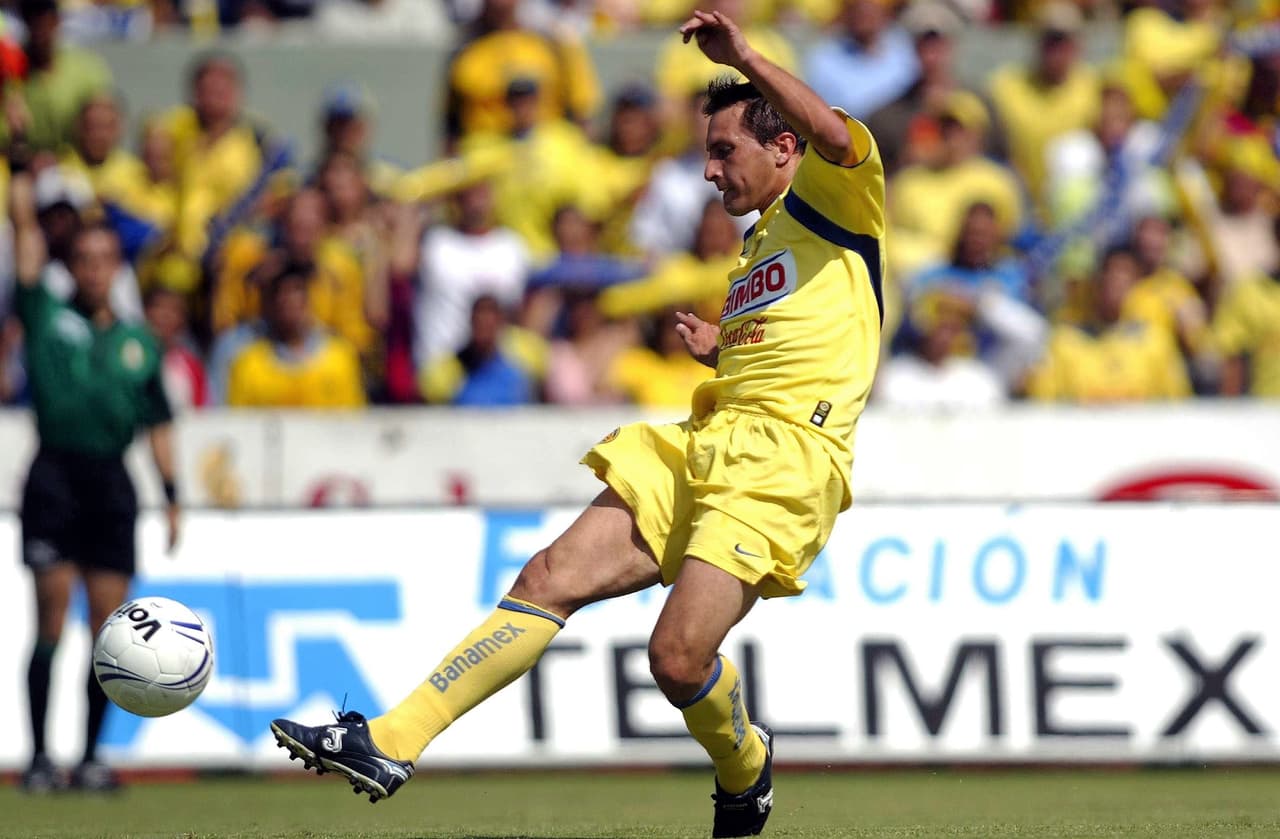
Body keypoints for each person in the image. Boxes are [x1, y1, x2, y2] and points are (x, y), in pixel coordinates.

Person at [271, 10, 885, 838]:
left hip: (784, 459)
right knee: (547, 575)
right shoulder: (762, 243)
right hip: (711, 437)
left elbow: (835, 136)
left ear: (782, 147)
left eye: (722, 150)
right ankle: (389, 740)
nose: (708, 170)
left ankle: (746, 765)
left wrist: (744, 54)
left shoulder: (836, 195)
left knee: (676, 658)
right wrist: (724, 344)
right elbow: (799, 340)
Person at [9, 158, 179, 793]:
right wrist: (20, 170)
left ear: (117, 267)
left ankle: (89, 757)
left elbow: (159, 423)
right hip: (55, 478)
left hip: (111, 485)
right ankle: (37, 757)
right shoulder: (47, 317)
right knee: (50, 619)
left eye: (105, 259)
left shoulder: (138, 341)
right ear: (71, 265)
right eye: (84, 259)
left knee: (109, 632)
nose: (95, 270)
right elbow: (25, 235)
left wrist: (173, 495)